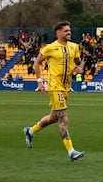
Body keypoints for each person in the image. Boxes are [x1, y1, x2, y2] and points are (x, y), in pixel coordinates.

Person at [23, 21, 85, 162]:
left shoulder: (74, 47)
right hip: (54, 86)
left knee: (53, 118)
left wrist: (79, 68)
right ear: (58, 33)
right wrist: (39, 82)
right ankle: (71, 152)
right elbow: (36, 63)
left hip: (66, 87)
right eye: (66, 31)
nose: (69, 33)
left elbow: (78, 61)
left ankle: (30, 131)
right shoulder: (50, 48)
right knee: (63, 118)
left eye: (69, 30)